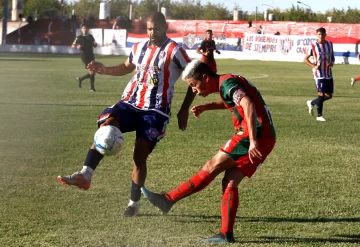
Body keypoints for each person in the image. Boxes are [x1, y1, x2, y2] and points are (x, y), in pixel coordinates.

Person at [57, 12, 196, 217]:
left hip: (155, 110)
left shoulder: (175, 50)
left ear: (164, 28)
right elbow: (126, 67)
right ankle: (85, 175)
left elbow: (194, 78)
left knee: (139, 155)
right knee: (107, 127)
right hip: (129, 103)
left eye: (156, 28)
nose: (152, 32)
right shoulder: (139, 47)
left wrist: (184, 109)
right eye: (149, 28)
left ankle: (134, 204)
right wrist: (104, 69)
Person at [141, 60, 276, 243]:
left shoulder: (228, 83)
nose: (194, 91)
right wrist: (207, 107)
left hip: (253, 136)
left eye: (193, 85)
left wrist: (252, 141)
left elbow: (248, 104)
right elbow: (231, 100)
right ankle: (226, 233)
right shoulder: (226, 84)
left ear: (205, 77)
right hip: (266, 137)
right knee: (230, 181)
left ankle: (168, 200)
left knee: (211, 166)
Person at [304, 27, 335, 122]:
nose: (321, 36)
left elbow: (332, 57)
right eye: (319, 34)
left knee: (329, 95)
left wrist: (332, 63)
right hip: (319, 74)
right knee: (321, 94)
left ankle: (312, 102)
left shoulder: (329, 44)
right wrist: (313, 65)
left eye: (322, 34)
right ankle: (319, 115)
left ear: (325, 35)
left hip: (328, 73)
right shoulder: (313, 45)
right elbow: (305, 59)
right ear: (316, 35)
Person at [71, 24, 97, 92]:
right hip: (84, 56)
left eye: (86, 28)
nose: (85, 29)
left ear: (87, 29)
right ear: (81, 29)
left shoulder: (90, 36)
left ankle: (81, 79)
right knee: (92, 70)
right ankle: (92, 88)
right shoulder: (79, 37)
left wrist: (95, 44)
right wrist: (76, 46)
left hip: (91, 55)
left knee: (93, 71)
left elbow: (94, 44)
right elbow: (73, 45)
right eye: (83, 28)